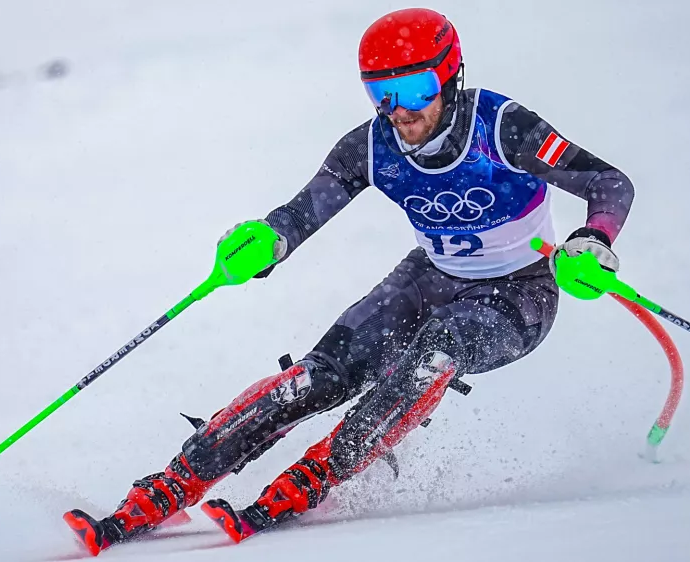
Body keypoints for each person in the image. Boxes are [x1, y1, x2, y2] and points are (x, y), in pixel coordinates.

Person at [64, 7, 634, 555]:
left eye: (416, 91)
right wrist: (267, 241)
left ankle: (320, 472)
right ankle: (177, 481)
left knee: (437, 350)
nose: (399, 111)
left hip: (519, 292)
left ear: (450, 79)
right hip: (430, 277)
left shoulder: (501, 127)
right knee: (318, 376)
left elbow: (608, 183)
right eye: (381, 94)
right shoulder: (372, 146)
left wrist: (593, 238)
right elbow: (301, 213)